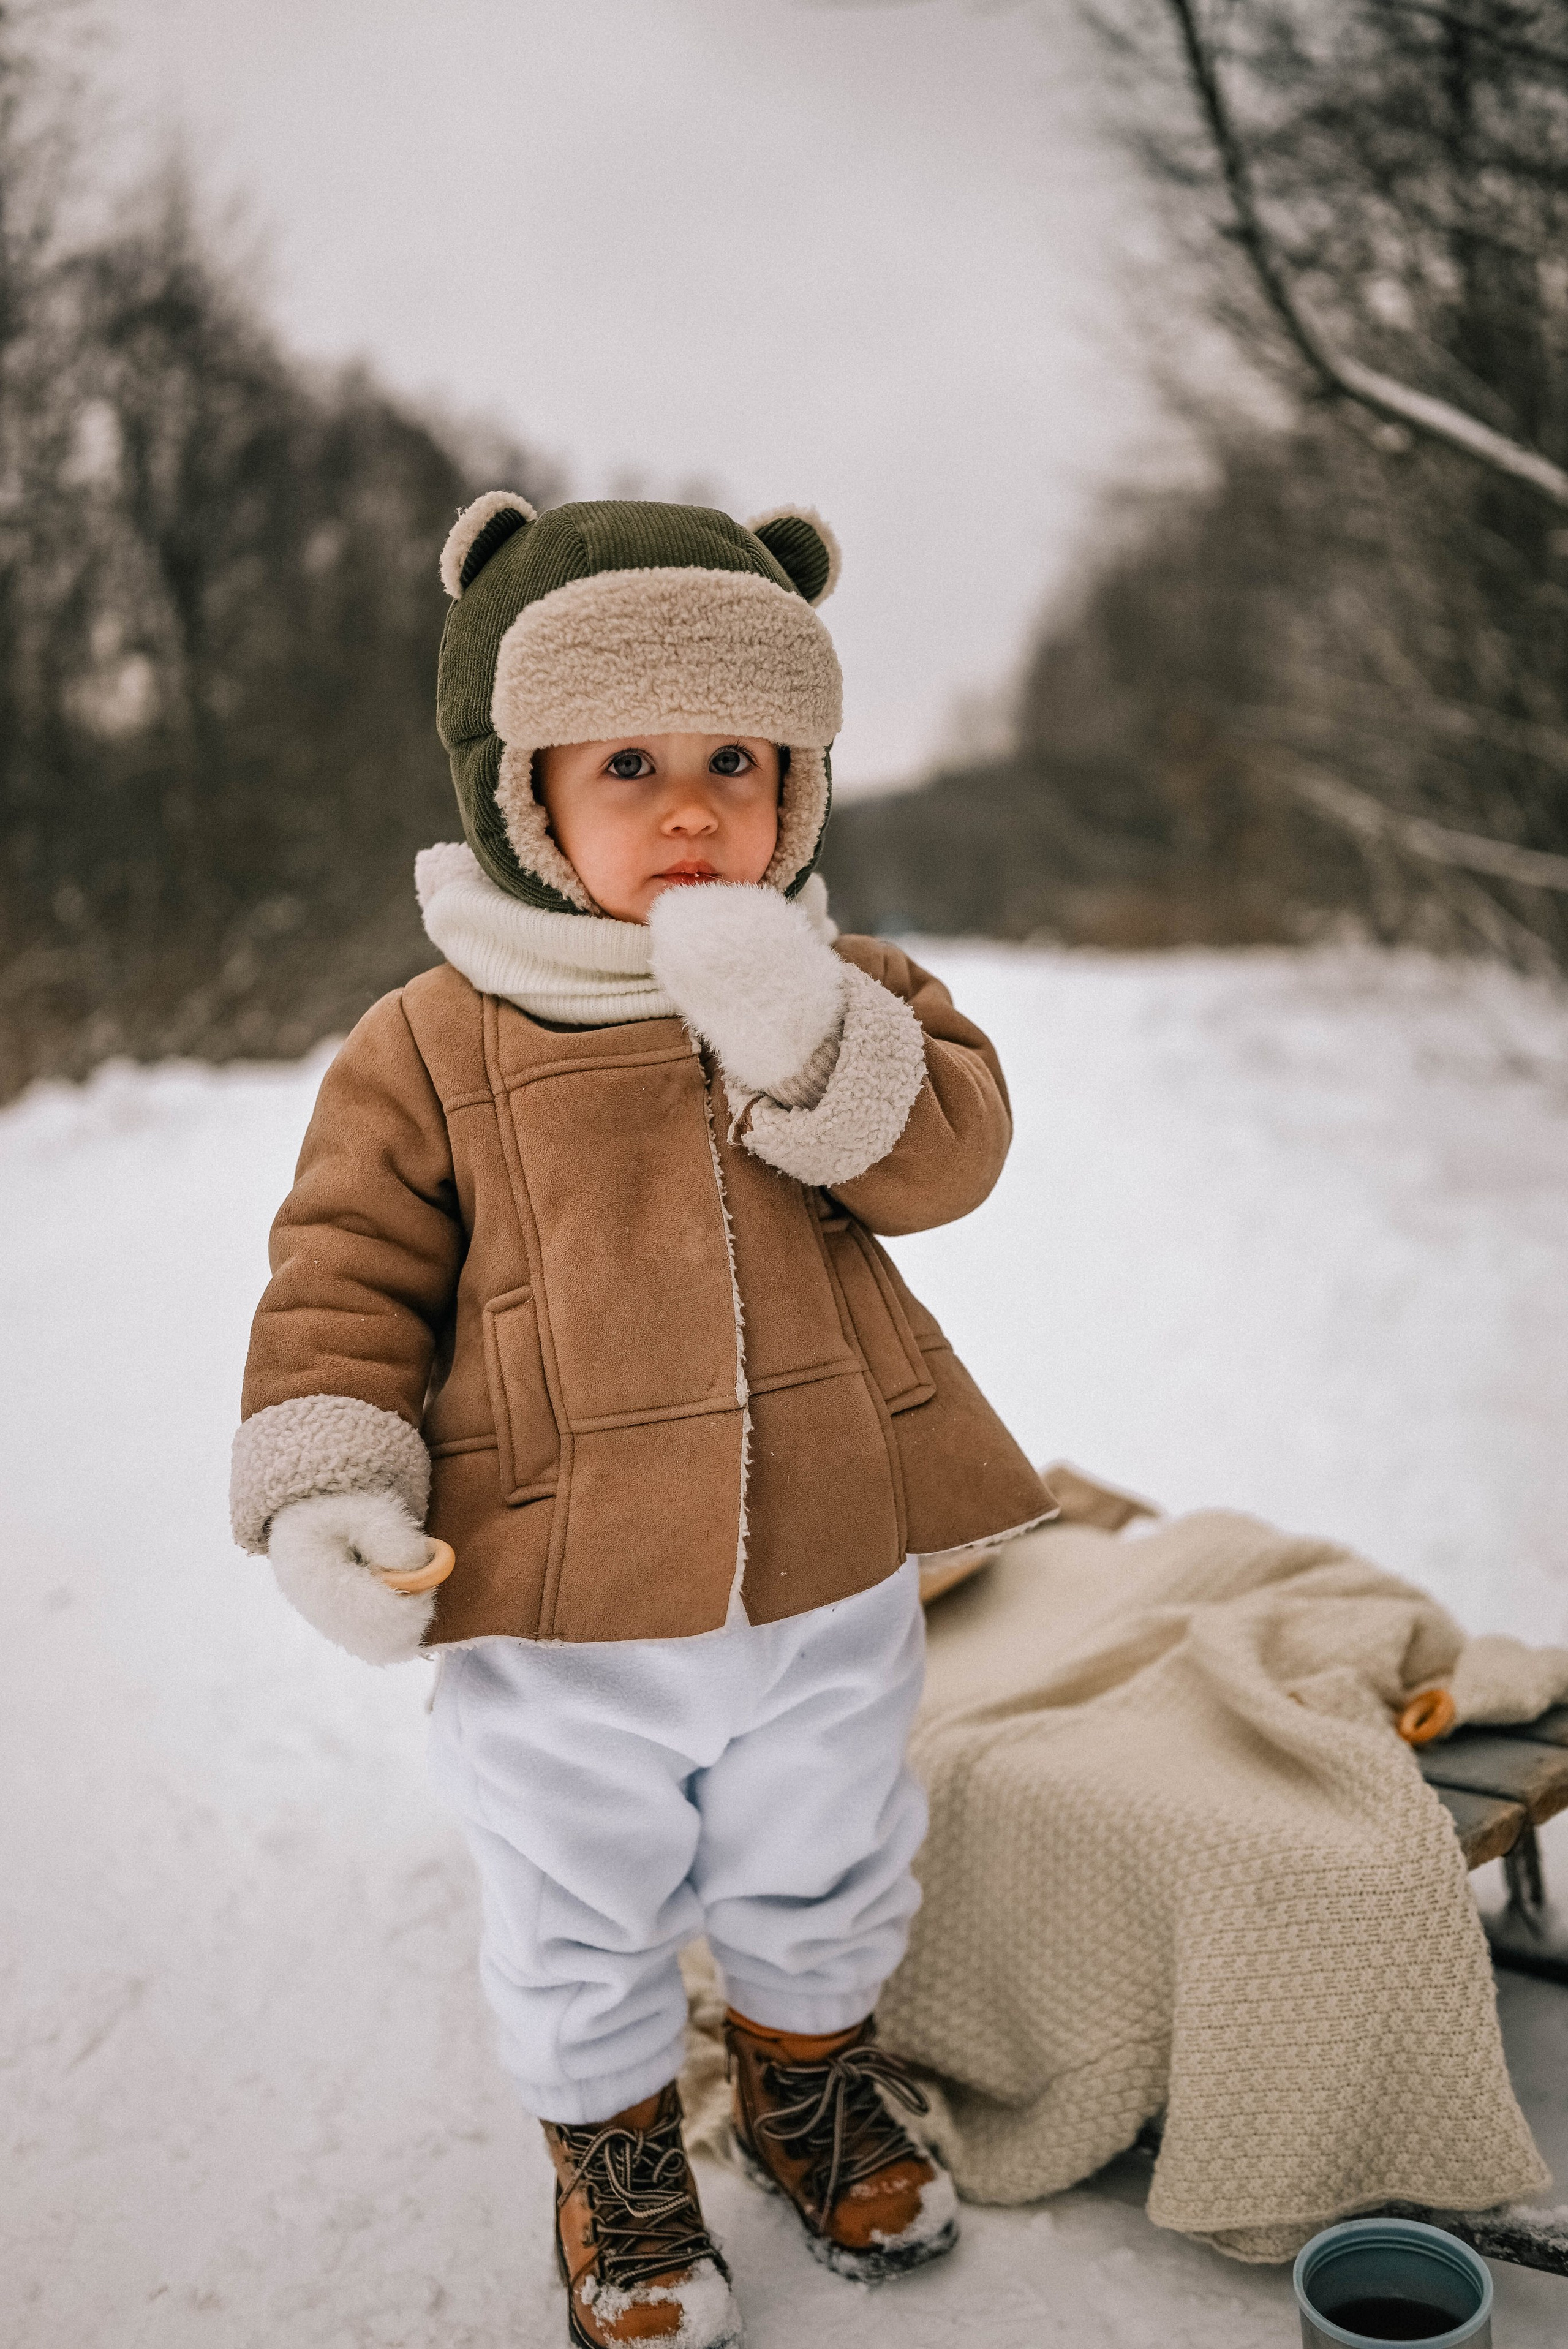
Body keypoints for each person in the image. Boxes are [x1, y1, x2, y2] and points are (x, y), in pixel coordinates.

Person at [230, 493, 1053, 2348]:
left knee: (824, 1842)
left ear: (801, 780)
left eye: (738, 761)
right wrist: (331, 1477)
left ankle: (800, 2074)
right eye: (629, 764)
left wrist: (804, 1033)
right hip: (564, 1590)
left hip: (827, 1559)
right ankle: (612, 2152)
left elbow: (954, 1157)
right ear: (520, 789)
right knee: (577, 1887)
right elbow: (343, 1269)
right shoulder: (434, 1040)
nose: (694, 809)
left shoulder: (842, 995)